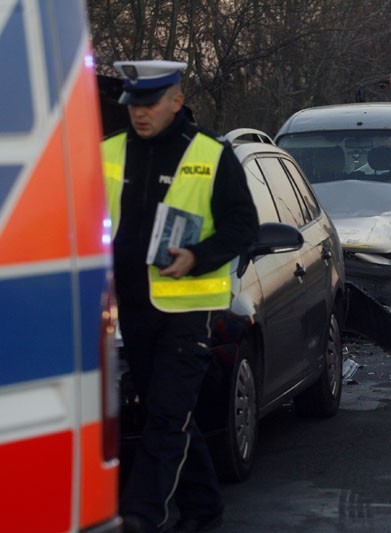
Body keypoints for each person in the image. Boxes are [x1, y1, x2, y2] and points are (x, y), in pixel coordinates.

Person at [101, 60, 258, 532]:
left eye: (149, 104)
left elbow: (242, 226)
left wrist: (197, 256)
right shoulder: (108, 152)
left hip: (190, 310)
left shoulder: (211, 154)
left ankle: (138, 517)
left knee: (166, 417)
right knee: (166, 413)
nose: (139, 114)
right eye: (133, 105)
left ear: (176, 100)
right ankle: (204, 507)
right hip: (133, 309)